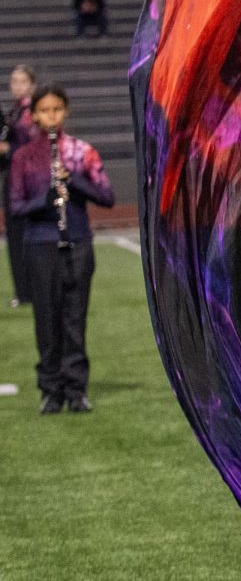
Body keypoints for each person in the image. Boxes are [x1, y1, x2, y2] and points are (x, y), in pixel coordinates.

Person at [9, 84, 114, 413]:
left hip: (77, 241)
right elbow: (15, 207)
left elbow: (107, 197)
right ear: (34, 115)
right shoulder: (23, 157)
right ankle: (51, 389)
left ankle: (76, 388)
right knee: (46, 318)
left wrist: (72, 181)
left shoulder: (81, 151)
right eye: (44, 111)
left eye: (57, 110)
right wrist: (45, 199)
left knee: (74, 318)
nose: (51, 116)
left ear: (65, 111)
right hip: (40, 244)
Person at [1, 64, 37, 307]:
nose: (17, 86)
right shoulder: (16, 111)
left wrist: (7, 150)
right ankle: (23, 290)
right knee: (15, 237)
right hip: (14, 180)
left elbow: (33, 150)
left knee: (23, 237)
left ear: (32, 85)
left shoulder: (31, 113)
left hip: (26, 184)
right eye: (14, 81)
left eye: (22, 82)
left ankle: (28, 291)